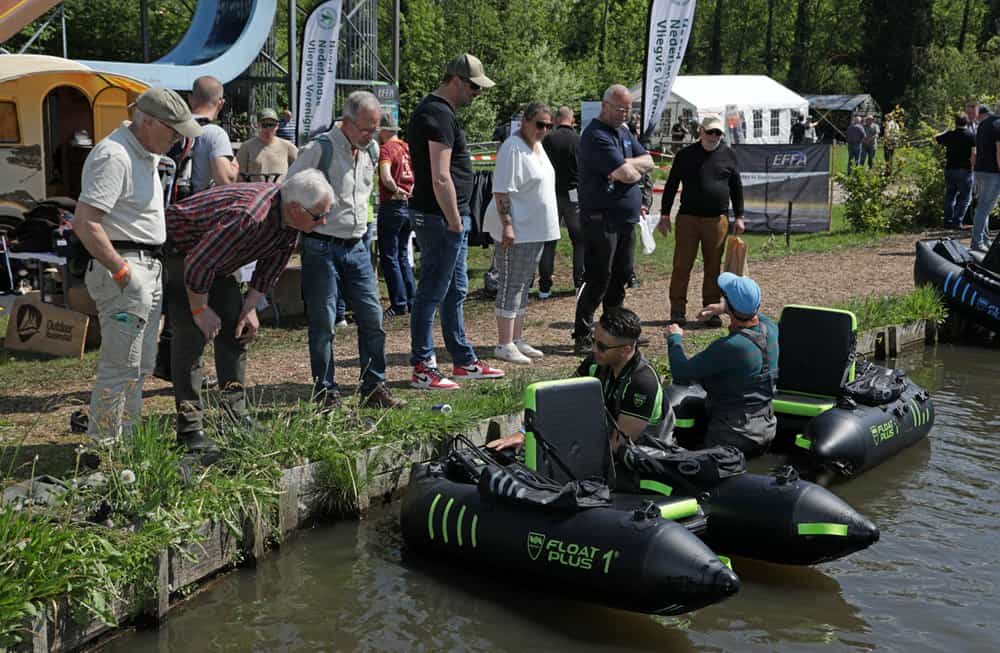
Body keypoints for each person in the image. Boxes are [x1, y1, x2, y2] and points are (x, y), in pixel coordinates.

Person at [164, 170, 334, 459]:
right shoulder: (249, 216)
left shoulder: (290, 221)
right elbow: (197, 264)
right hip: (181, 253)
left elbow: (272, 266)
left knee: (236, 331)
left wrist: (250, 307)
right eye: (318, 215)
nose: (324, 222)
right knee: (192, 338)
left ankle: (235, 416)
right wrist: (200, 310)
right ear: (295, 208)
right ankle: (190, 430)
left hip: (214, 262)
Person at [73, 87, 203, 444]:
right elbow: (85, 221)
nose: (177, 138)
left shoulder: (143, 152)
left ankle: (126, 441)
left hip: (145, 267)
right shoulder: (115, 155)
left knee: (140, 364)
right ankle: (107, 446)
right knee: (121, 365)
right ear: (146, 121)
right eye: (172, 130)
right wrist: (121, 271)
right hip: (126, 267)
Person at [286, 91, 405, 409]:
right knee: (324, 323)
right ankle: (325, 392)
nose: (371, 135)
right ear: (347, 121)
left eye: (375, 128)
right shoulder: (319, 149)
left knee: (372, 317)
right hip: (321, 246)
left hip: (358, 246)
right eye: (366, 128)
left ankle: (374, 386)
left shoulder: (371, 149)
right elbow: (289, 190)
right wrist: (302, 228)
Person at [405, 53, 506, 389]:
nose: (476, 95)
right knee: (433, 290)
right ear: (457, 81)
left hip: (448, 217)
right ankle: (423, 365)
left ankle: (462, 360)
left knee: (456, 289)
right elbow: (440, 177)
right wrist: (454, 219)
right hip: (441, 218)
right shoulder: (436, 114)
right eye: (474, 88)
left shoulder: (440, 112)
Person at [487, 307, 672, 452]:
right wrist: (522, 434)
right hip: (606, 443)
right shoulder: (595, 362)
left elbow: (618, 445)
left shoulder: (642, 383)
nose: (593, 350)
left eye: (601, 346)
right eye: (593, 341)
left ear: (626, 349)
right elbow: (562, 402)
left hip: (641, 457)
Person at [572, 84, 654, 353]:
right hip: (600, 217)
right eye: (619, 109)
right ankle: (583, 333)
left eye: (627, 110)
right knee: (599, 276)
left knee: (620, 275)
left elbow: (648, 161)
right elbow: (626, 174)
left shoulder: (625, 131)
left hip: (625, 218)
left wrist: (630, 166)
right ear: (605, 106)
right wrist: (629, 168)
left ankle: (615, 331)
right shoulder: (595, 135)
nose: (623, 114)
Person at [666, 273, 778, 457]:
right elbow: (750, 312)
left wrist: (674, 338)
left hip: (732, 435)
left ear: (732, 309)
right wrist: (723, 308)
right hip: (765, 427)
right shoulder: (771, 329)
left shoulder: (730, 347)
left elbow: (680, 372)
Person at [483, 101, 560, 364]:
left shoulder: (537, 147)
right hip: (518, 230)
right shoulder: (512, 148)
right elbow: (502, 190)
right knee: (511, 284)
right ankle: (504, 343)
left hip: (535, 230)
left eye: (548, 126)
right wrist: (507, 224)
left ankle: (516, 337)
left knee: (524, 283)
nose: (544, 130)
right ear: (526, 121)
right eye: (540, 124)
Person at [658, 115, 744, 327]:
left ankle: (711, 310)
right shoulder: (685, 155)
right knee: (681, 265)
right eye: (710, 132)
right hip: (688, 219)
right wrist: (664, 214)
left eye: (718, 133)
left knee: (713, 268)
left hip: (717, 220)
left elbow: (736, 187)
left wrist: (740, 216)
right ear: (701, 132)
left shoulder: (729, 155)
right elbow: (671, 185)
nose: (714, 136)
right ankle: (677, 310)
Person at [539, 105, 584, 296]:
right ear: (572, 120)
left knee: (549, 241)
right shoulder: (579, 140)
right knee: (579, 241)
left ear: (557, 120)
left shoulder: (547, 139)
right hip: (574, 194)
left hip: (551, 194)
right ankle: (579, 283)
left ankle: (544, 286)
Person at [376, 112, 416, 318]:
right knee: (402, 254)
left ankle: (399, 303)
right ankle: (411, 299)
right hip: (409, 205)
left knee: (389, 256)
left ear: (382, 130)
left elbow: (386, 176)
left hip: (392, 205)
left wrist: (395, 189)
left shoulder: (386, 150)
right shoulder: (406, 147)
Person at [188, 76, 239, 194]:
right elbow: (225, 181)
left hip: (167, 204)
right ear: (221, 103)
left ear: (190, 99)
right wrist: (235, 167)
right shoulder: (215, 134)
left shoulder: (171, 127)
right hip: (197, 206)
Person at [935, 113, 976, 229]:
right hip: (964, 169)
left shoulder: (949, 135)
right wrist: (972, 168)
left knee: (950, 196)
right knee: (964, 197)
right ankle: (957, 221)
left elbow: (936, 137)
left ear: (955, 122)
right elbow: (974, 154)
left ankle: (947, 221)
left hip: (950, 169)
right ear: (966, 122)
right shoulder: (971, 136)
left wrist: (945, 131)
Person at [236, 108, 298, 182]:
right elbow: (239, 174)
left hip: (280, 191)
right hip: (256, 191)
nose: (268, 129)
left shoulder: (288, 146)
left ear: (277, 126)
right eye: (264, 125)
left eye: (272, 125)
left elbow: (300, 169)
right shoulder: (246, 147)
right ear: (258, 125)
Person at [971, 103, 1000, 252]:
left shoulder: (983, 124)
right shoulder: (998, 124)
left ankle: (984, 240)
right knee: (984, 208)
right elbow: (999, 151)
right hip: (992, 172)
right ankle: (977, 242)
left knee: (983, 208)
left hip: (980, 171)